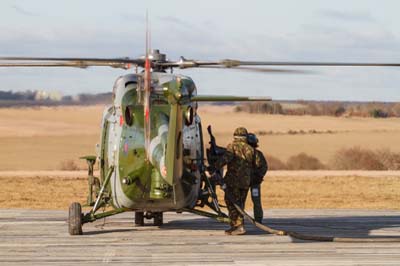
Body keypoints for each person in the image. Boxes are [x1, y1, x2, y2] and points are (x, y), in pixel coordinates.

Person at [214, 127, 255, 235]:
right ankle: (236, 226)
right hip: (245, 182)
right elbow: (257, 165)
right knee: (240, 203)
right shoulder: (250, 149)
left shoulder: (232, 147)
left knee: (232, 202)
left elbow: (225, 160)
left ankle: (239, 227)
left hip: (233, 181)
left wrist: (213, 167)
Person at [247, 133, 268, 224]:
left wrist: (258, 177)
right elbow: (264, 167)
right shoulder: (258, 154)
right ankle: (258, 220)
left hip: (249, 181)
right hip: (252, 182)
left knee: (241, 201)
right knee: (256, 201)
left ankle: (239, 220)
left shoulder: (257, 154)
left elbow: (264, 167)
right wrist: (259, 176)